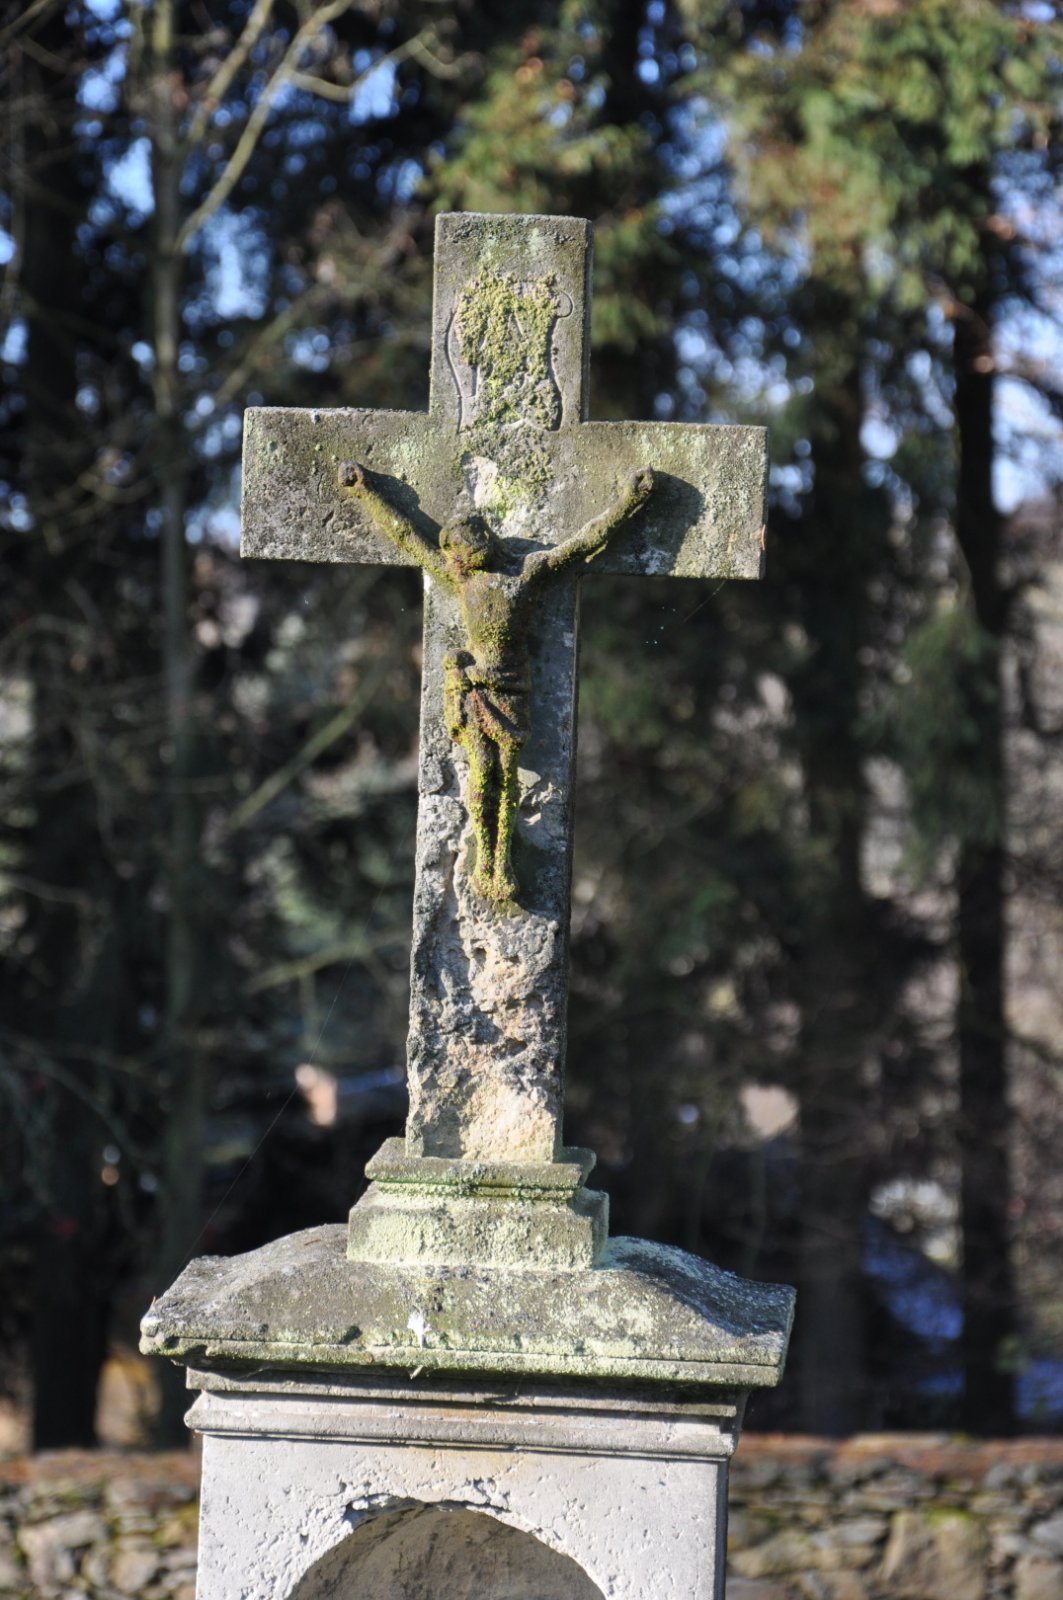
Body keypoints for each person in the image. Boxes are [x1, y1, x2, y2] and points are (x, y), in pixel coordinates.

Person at [340, 461, 654, 905]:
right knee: (481, 773)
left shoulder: (527, 572)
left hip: (510, 690)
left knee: (506, 776)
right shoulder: (462, 581)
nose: (456, 557)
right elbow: (407, 536)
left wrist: (629, 501)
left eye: (462, 546)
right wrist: (365, 492)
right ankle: (483, 856)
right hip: (475, 693)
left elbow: (585, 542)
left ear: (482, 539)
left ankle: (501, 857)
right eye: (451, 550)